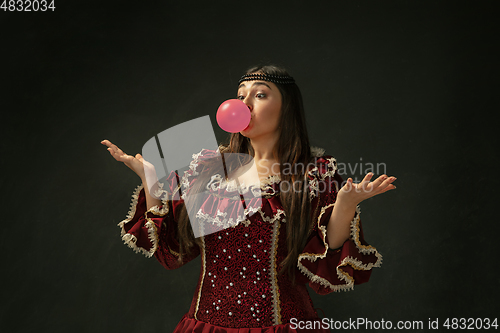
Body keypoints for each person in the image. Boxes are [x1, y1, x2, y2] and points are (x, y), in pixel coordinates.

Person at [101, 65, 396, 332]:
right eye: (240, 96)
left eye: (260, 95)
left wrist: (345, 204)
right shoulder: (209, 170)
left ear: (286, 108)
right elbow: (171, 253)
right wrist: (149, 179)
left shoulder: (311, 175)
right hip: (205, 325)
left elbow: (324, 271)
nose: (243, 105)